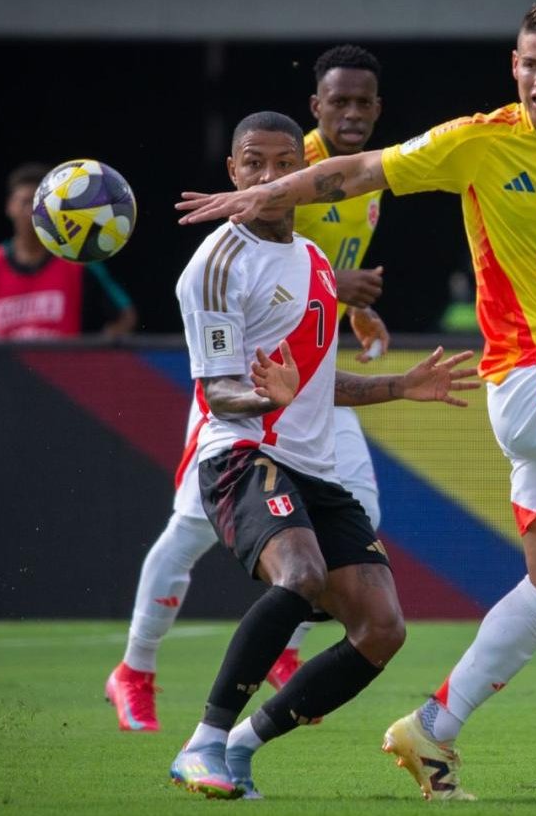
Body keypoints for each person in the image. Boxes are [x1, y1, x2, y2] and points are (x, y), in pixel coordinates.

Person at [176, 0, 536, 801]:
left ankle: (431, 728)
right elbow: (356, 170)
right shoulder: (478, 139)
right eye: (529, 64)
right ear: (514, 66)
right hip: (530, 376)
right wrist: (260, 195)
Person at [166, 110, 479, 800]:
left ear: (304, 173)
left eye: (285, 164)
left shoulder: (312, 260)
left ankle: (242, 747)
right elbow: (217, 392)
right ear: (233, 172)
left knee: (382, 629)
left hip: (314, 468)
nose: (270, 177)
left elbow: (317, 380)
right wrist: (266, 398)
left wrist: (401, 385)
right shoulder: (215, 265)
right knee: (302, 573)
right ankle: (203, 743)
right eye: (254, 163)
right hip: (242, 453)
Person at [105, 45, 391, 732]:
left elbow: (310, 277)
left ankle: (285, 649)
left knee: (359, 515)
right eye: (339, 102)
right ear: (315, 108)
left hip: (313, 383)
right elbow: (253, 251)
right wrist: (339, 287)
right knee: (192, 527)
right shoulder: (290, 169)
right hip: (248, 389)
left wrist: (350, 308)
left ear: (378, 109)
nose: (352, 114)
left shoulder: (364, 182)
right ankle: (136, 668)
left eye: (363, 103)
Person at [0, 162, 137, 339]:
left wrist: (94, 357)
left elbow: (125, 315)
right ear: (9, 206)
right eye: (24, 202)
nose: (31, 211)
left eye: (37, 204)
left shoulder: (77, 262)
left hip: (55, 371)